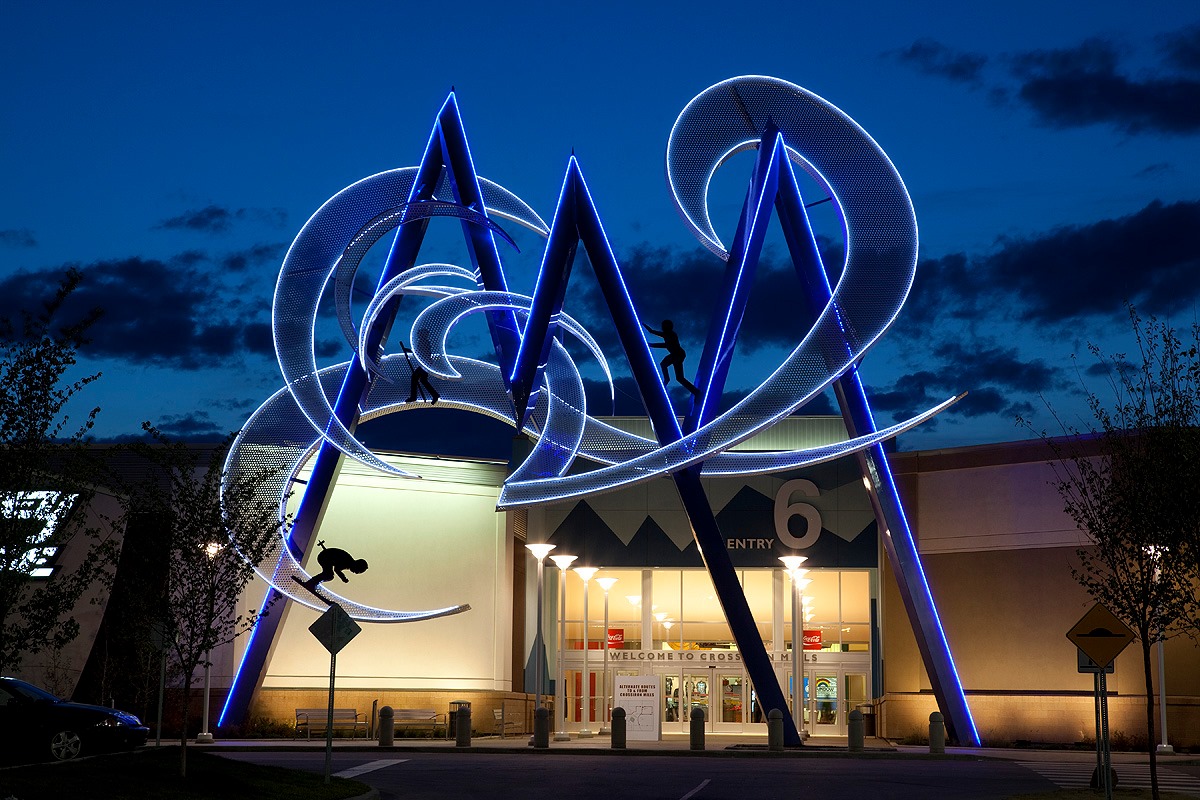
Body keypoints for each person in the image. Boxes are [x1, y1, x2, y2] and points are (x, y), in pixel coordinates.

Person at [643, 319, 700, 397]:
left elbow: (665, 345)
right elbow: (651, 331)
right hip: (675, 355)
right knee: (666, 367)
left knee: (679, 377)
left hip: (678, 355)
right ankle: (667, 379)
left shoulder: (671, 335)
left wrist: (651, 345)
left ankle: (696, 392)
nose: (662, 328)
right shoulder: (666, 335)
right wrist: (643, 324)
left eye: (664, 326)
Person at [296, 540, 368, 594]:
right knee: (328, 575)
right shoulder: (347, 561)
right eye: (357, 571)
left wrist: (343, 577)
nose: (355, 572)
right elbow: (337, 569)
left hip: (326, 557)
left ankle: (312, 583)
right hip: (325, 557)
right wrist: (343, 578)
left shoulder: (348, 562)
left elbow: (337, 569)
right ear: (357, 565)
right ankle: (311, 583)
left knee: (328, 575)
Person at [401, 330, 440, 404]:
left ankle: (414, 397)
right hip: (426, 364)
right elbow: (418, 352)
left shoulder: (423, 342)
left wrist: (407, 350)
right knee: (422, 380)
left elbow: (418, 352)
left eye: (419, 334)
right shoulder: (424, 342)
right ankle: (434, 395)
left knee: (415, 377)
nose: (418, 336)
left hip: (425, 364)